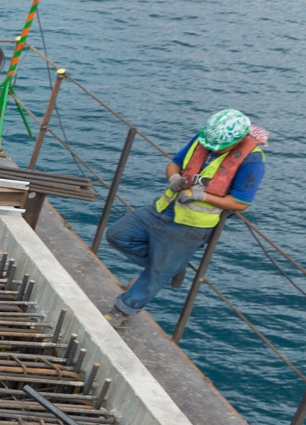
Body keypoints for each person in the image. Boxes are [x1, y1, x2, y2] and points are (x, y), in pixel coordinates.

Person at [105, 108, 266, 326]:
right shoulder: (204, 139)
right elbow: (174, 163)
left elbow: (240, 202)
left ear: (237, 142)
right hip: (163, 208)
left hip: (190, 226)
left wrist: (201, 196)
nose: (212, 150)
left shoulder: (252, 161)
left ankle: (122, 310)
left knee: (157, 273)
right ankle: (172, 267)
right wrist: (174, 178)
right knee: (118, 235)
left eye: (218, 148)